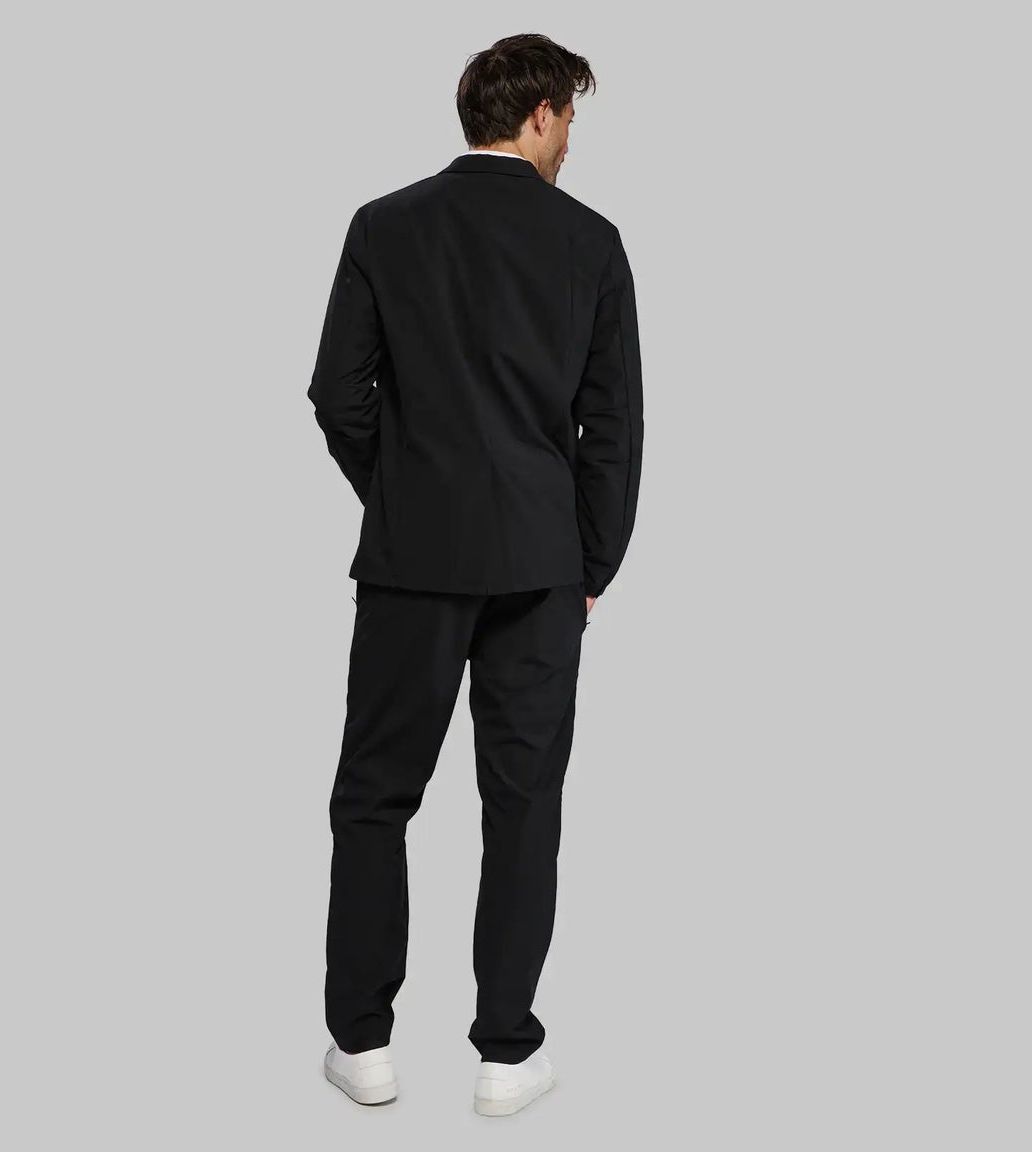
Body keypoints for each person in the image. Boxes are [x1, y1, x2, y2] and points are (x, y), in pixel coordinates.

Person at [306, 33, 644, 1117]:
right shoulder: (590, 242)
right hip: (540, 563)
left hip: (413, 558)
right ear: (539, 113)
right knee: (524, 802)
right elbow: (613, 427)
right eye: (569, 120)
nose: (570, 140)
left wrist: (401, 491)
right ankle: (505, 1053)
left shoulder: (384, 225)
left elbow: (337, 392)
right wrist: (591, 557)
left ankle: (362, 1045)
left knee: (374, 796)